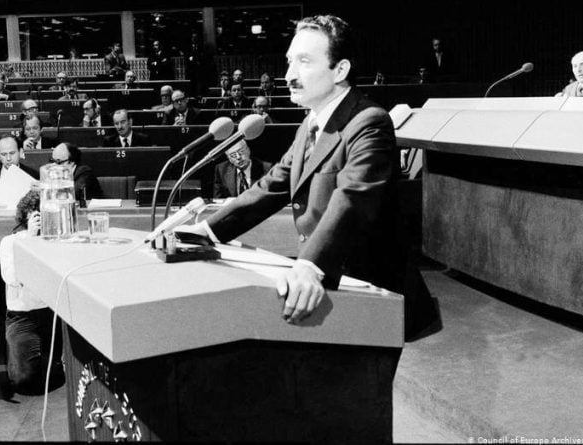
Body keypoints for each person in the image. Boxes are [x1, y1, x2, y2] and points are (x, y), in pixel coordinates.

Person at [178, 14, 435, 339]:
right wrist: (204, 231)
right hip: (333, 292)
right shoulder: (310, 124)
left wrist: (309, 265)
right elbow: (271, 186)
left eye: (304, 62)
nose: (289, 76)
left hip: (375, 297)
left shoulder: (369, 121)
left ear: (340, 70)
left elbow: (352, 200)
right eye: (290, 62)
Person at [0, 190, 66, 395]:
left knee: (55, 376)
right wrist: (30, 240)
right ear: (27, 215)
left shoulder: (56, 242)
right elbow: (12, 278)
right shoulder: (10, 242)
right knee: (24, 381)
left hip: (51, 315)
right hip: (22, 317)